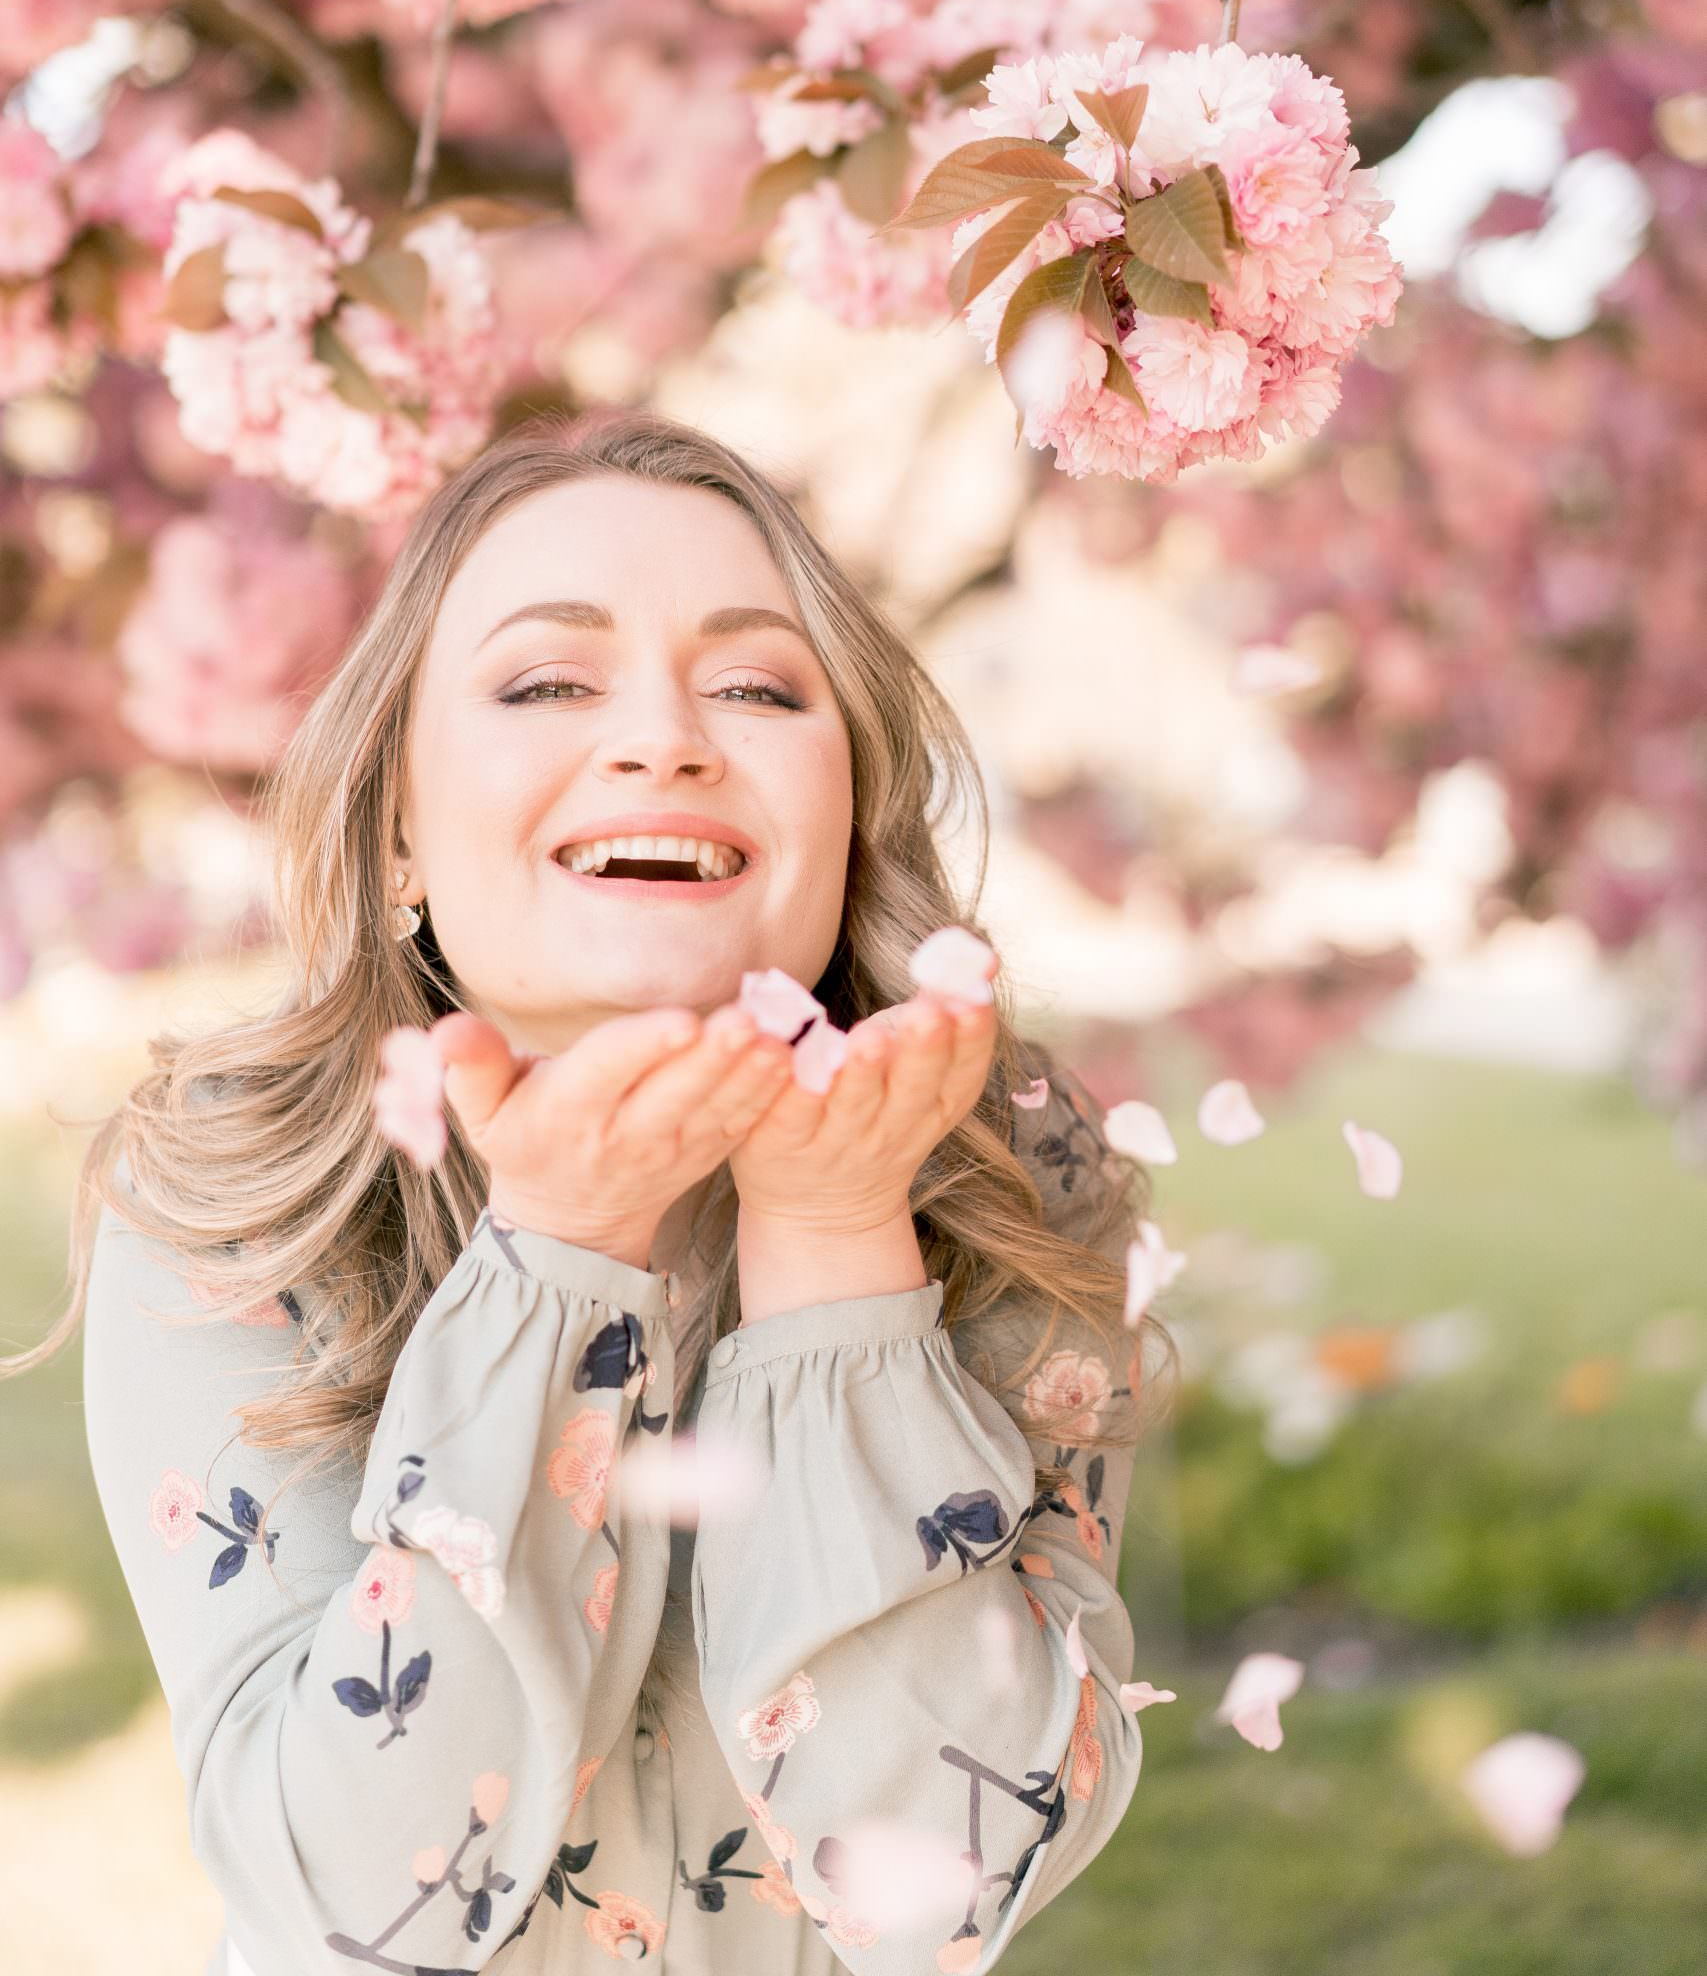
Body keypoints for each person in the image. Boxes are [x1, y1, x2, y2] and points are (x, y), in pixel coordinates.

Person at [13, 407, 1176, 1974]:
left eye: (761, 687)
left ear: (846, 813)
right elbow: (363, 1902)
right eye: (547, 680)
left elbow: (949, 1883)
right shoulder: (229, 1190)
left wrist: (838, 1241)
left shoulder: (1004, 1165)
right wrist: (558, 1260)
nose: (666, 741)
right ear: (402, 820)